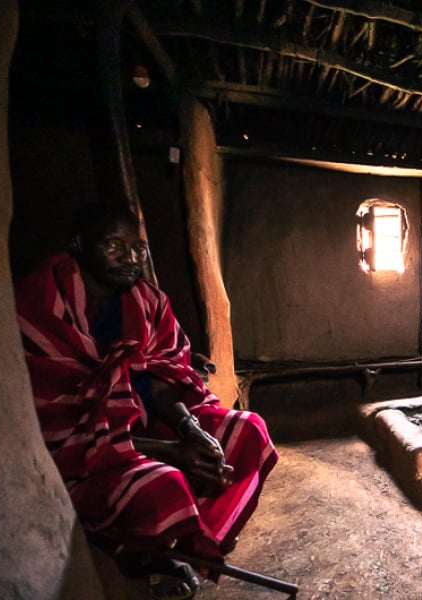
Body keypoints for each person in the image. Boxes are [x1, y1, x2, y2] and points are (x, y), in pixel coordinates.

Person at [14, 203, 278, 600]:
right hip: (84, 452)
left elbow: (159, 376)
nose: (130, 259)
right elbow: (62, 427)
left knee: (245, 430)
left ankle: (193, 535)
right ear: (80, 245)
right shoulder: (43, 306)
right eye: (113, 246)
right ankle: (139, 555)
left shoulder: (147, 302)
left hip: (141, 425)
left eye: (138, 248)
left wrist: (190, 430)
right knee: (161, 485)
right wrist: (172, 452)